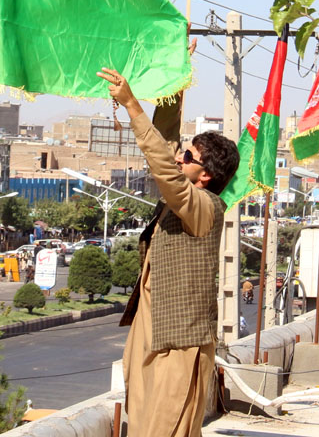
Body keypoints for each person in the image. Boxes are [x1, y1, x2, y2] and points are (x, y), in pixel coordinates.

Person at [98, 67, 240, 437]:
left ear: (205, 175)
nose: (179, 158)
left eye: (188, 157)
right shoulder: (185, 193)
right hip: (150, 330)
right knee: (141, 426)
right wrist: (175, 78)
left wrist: (131, 105)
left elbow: (163, 164)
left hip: (180, 342)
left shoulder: (204, 207)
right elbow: (166, 142)